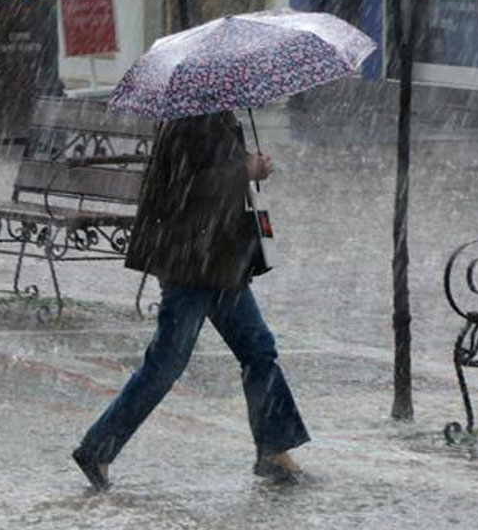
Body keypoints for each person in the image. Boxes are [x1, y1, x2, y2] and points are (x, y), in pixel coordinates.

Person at [72, 110, 309, 491]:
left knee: (259, 350)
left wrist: (247, 168)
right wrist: (245, 169)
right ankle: (97, 448)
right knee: (166, 364)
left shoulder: (213, 115)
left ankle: (274, 451)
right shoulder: (189, 120)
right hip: (191, 265)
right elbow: (187, 187)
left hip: (219, 263)